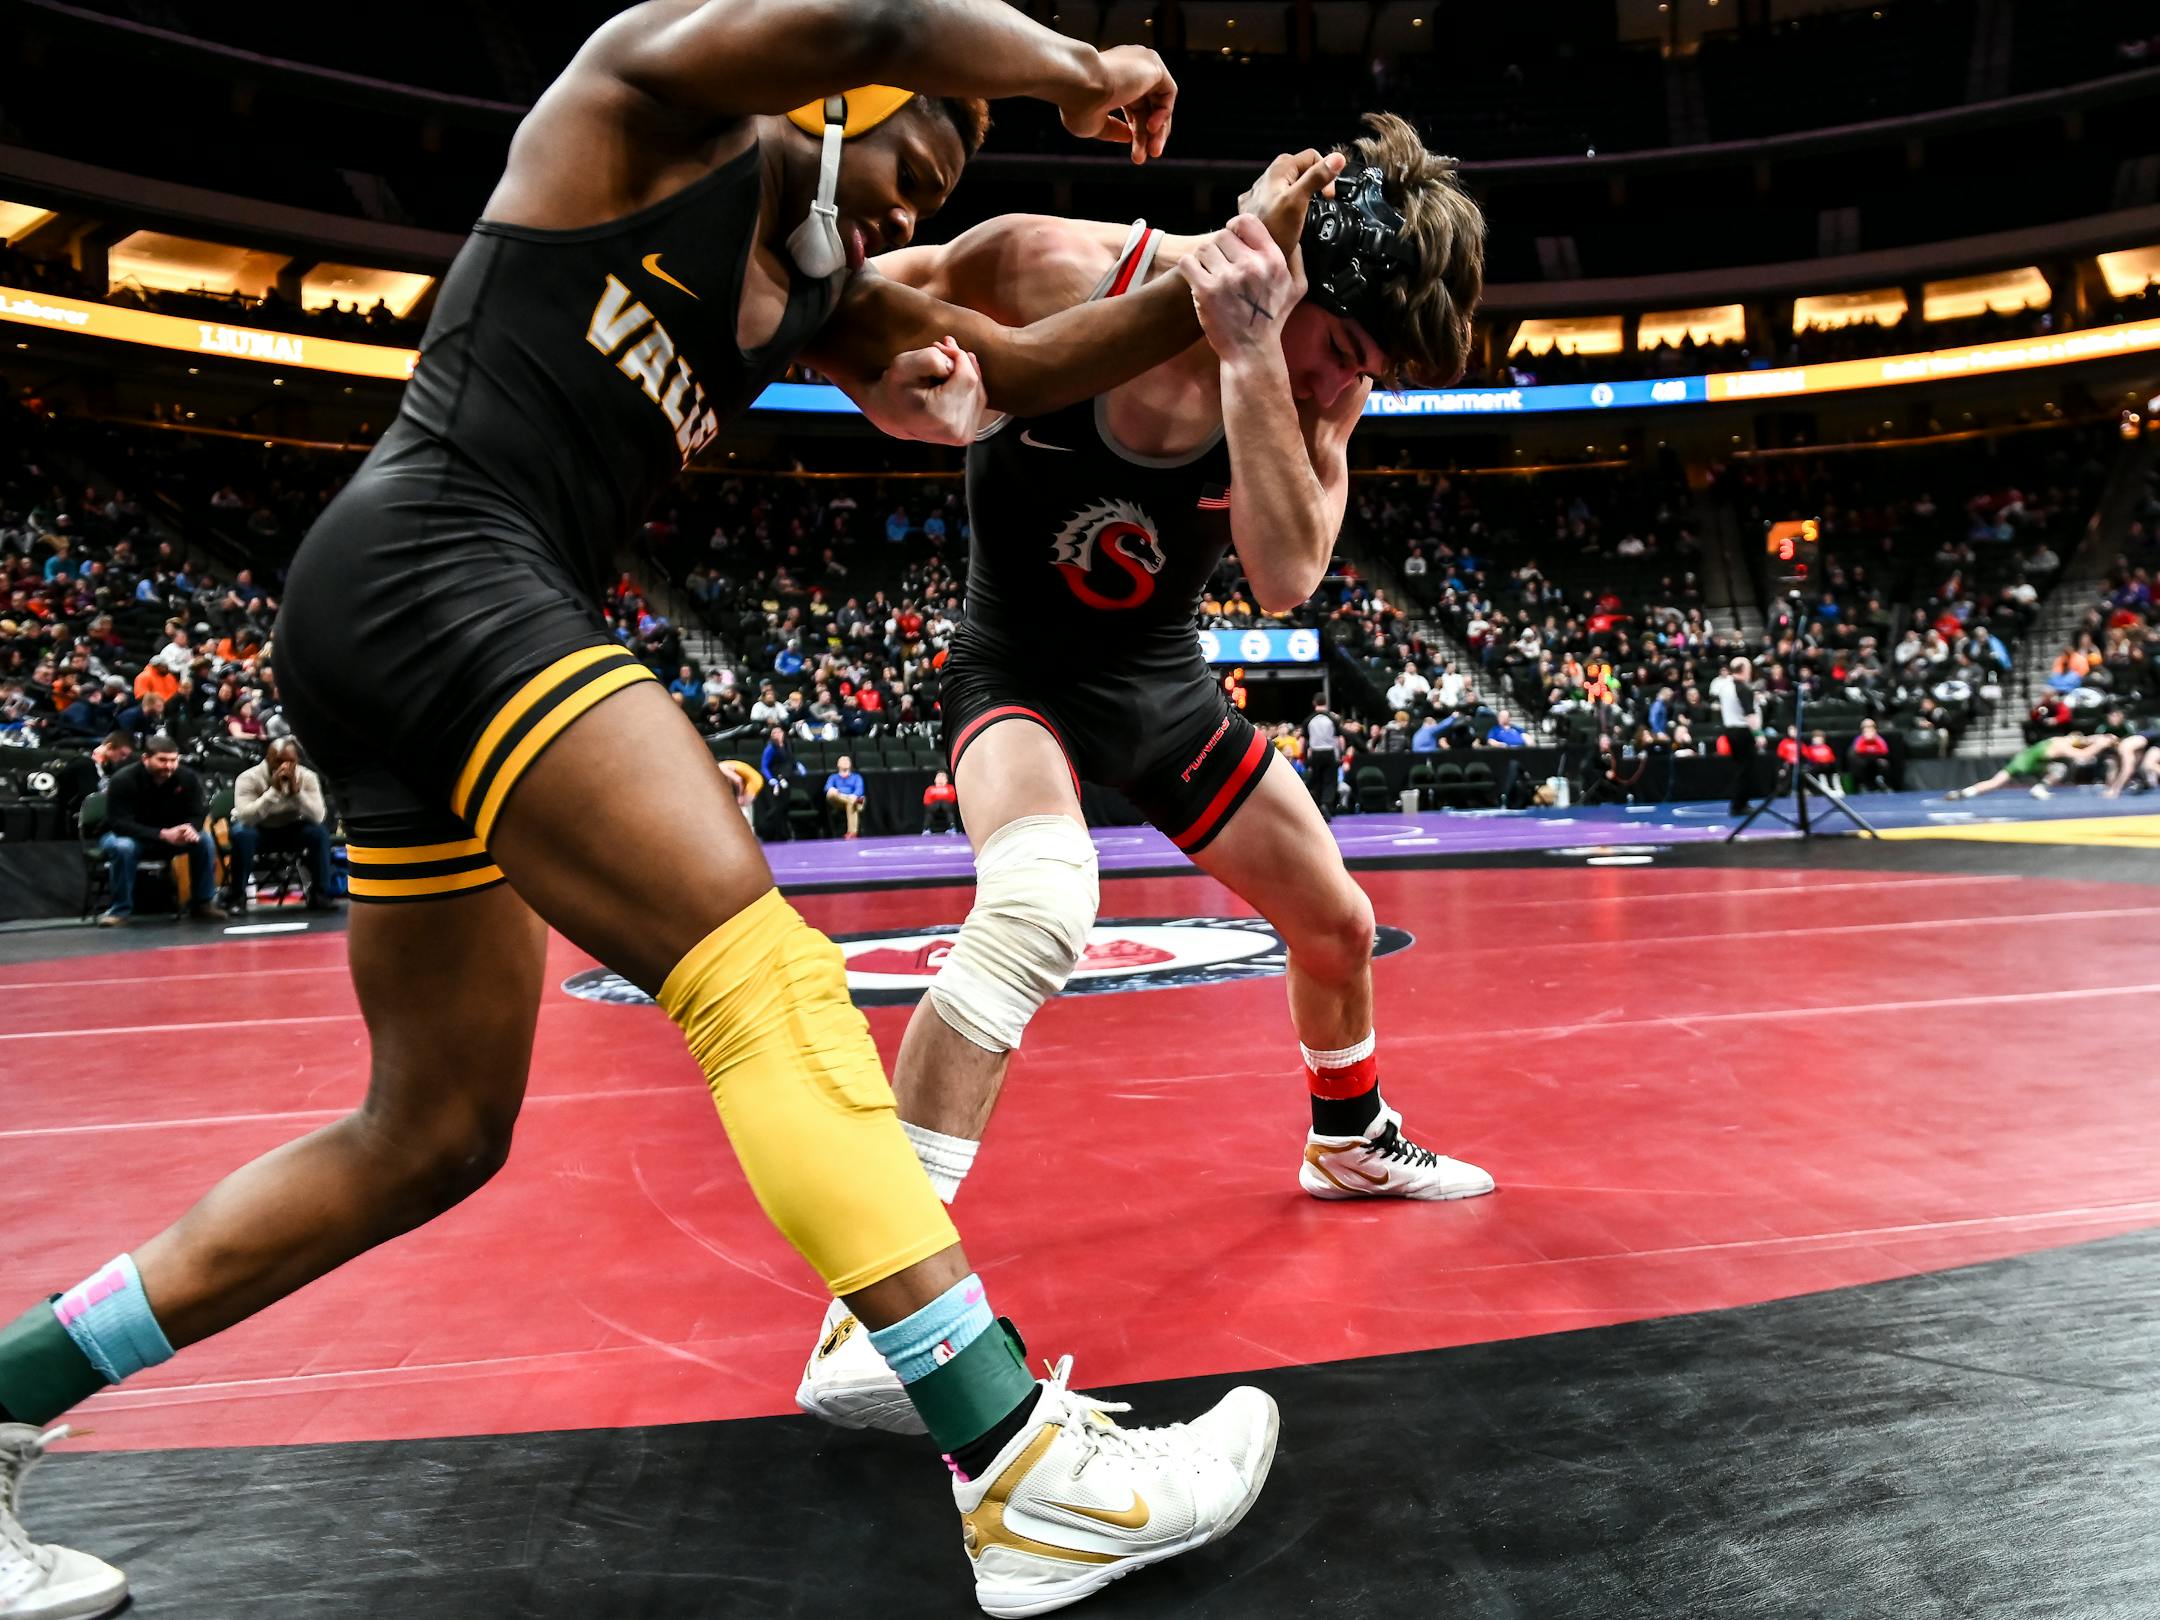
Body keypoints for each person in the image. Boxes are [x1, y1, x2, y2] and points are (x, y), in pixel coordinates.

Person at [0, 5, 1326, 1613]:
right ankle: (1022, 1473)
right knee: (761, 977)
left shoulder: (822, 290)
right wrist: (1081, 68)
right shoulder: (645, 103)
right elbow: (893, 14)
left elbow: (1027, 368)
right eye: (914, 166)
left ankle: (5, 1395)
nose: (913, 212)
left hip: (410, 615)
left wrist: (1226, 274)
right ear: (836, 101)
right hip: (443, 562)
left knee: (429, 1134)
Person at [795, 120, 1493, 1435]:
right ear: (1294, 270)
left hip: (1161, 690)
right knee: (1038, 902)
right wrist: (874, 378)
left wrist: (1258, 359)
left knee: (1338, 924)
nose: (1340, 384)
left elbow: (1286, 575)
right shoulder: (1060, 269)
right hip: (1016, 670)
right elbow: (843, 309)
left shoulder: (1312, 386)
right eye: (1341, 348)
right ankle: (874, 1305)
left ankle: (1348, 1140)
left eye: (1360, 371)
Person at [91, 733, 225, 927]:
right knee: (123, 847)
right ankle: (120, 911)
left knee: (203, 840)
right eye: (162, 760)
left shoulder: (187, 778)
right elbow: (119, 823)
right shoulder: (123, 779)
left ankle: (203, 903)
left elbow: (197, 813)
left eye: (173, 760)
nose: (169, 766)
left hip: (169, 835)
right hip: (128, 835)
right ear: (146, 758)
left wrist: (189, 829)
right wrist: (162, 834)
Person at [224, 737, 338, 911]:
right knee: (241, 834)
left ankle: (320, 894)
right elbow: (245, 818)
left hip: (292, 828)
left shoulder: (307, 777)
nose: (284, 766)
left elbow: (318, 817)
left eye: (290, 761)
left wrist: (297, 794)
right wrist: (274, 792)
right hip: (258, 829)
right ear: (267, 759)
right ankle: (237, 896)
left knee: (319, 832)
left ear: (297, 760)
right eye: (278, 761)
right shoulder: (248, 778)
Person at [1946, 734, 2108, 800]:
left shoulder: (2059, 740)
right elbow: (2084, 754)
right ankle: (2039, 789)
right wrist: (2100, 744)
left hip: (2025, 760)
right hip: (2027, 764)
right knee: (2060, 769)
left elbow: (2084, 740)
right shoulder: (2063, 746)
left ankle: (1964, 792)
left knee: (1995, 782)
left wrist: (2100, 737)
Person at [1709, 655, 1762, 814]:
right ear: (1744, 670)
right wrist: (1758, 734)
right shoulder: (1743, 689)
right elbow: (1749, 714)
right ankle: (1739, 804)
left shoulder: (1725, 686)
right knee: (1746, 769)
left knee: (1740, 767)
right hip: (1742, 730)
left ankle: (1740, 802)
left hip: (1730, 730)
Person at [52, 729, 133, 825]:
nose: (124, 759)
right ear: (110, 747)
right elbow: (91, 799)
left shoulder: (108, 768)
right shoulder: (84, 764)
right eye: (122, 754)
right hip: (72, 820)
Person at [1303, 692, 1341, 819]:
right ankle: (1326, 803)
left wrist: (1306, 757)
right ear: (1326, 702)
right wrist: (1339, 755)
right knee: (1329, 781)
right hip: (1329, 751)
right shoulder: (1332, 719)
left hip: (1315, 752)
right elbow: (1338, 738)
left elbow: (1305, 741)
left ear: (1314, 703)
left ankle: (1319, 808)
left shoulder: (1308, 720)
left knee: (1317, 781)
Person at [825, 753, 868, 837]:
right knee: (830, 793)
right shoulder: (833, 777)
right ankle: (857, 802)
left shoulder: (857, 777)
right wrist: (832, 789)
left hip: (852, 798)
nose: (845, 762)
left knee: (851, 802)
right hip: (838, 799)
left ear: (850, 764)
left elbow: (859, 789)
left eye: (847, 761)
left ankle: (852, 833)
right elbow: (828, 787)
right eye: (842, 761)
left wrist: (854, 795)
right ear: (838, 764)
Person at [1848, 716, 1892, 792]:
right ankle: (1862, 785)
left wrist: (1874, 740)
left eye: (1871, 727)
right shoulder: (1859, 739)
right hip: (1863, 761)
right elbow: (1858, 750)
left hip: (1875, 761)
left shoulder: (1879, 739)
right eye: (1866, 727)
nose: (1868, 729)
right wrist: (1866, 740)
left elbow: (1884, 751)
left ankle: (1882, 783)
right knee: (1859, 764)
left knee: (1884, 764)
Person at [923, 768, 960, 834]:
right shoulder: (930, 789)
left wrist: (939, 798)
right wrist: (939, 800)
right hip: (933, 807)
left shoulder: (950, 788)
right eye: (938, 776)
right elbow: (926, 801)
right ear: (935, 780)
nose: (940, 778)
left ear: (946, 780)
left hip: (947, 807)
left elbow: (953, 798)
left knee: (945, 805)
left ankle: (952, 828)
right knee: (931, 808)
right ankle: (926, 829)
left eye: (943, 777)